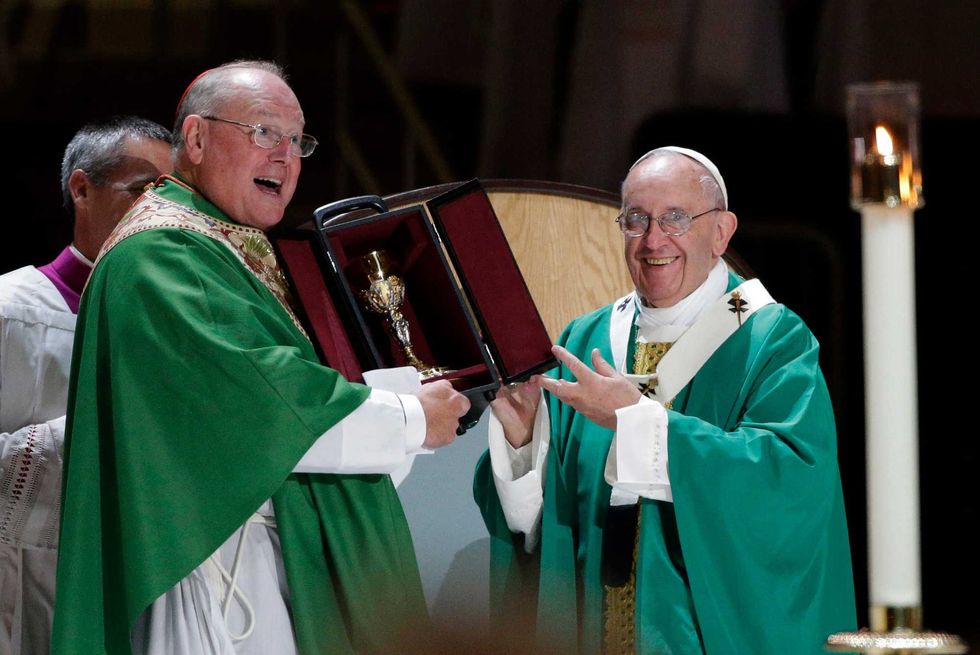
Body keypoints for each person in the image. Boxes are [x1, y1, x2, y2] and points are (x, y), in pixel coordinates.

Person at [51, 60, 471, 655]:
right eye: (264, 132)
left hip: (257, 549)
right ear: (194, 139)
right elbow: (261, 401)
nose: (286, 157)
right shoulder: (160, 257)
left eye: (298, 141)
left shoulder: (216, 242)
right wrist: (408, 417)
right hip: (222, 563)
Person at [475, 146, 857, 654]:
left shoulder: (771, 339)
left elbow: (787, 484)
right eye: (636, 220)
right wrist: (525, 442)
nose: (654, 240)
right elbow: (549, 528)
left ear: (721, 232)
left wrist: (637, 422)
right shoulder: (589, 337)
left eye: (676, 219)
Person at [0, 116, 172, 655]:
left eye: (173, 195)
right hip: (23, 585)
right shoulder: (11, 312)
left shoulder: (174, 329)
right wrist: (81, 441)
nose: (161, 211)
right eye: (143, 190)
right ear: (82, 188)